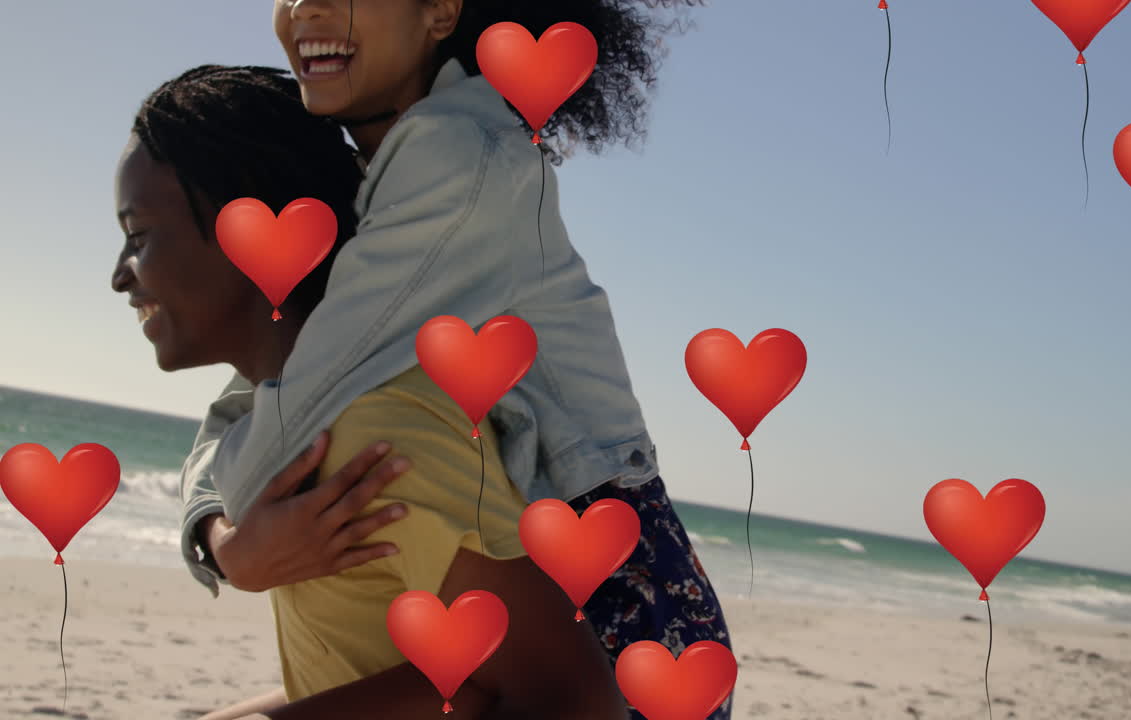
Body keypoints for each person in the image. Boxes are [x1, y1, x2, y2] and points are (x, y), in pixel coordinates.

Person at [179, 1, 733, 718]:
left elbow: (294, 406)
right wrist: (217, 534)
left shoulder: (457, 154)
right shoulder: (385, 170)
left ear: (441, 10)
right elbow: (270, 388)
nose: (306, 7)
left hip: (606, 609)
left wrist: (233, 543)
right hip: (523, 588)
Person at [115, 64, 630, 719]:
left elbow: (570, 700)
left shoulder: (378, 424)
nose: (119, 276)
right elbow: (388, 677)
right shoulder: (291, 416)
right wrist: (222, 543)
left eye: (137, 235)